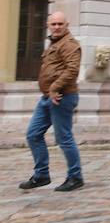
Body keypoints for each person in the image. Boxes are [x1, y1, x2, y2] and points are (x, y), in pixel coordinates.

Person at [19, 11, 84, 192]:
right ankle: (41, 175)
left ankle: (75, 177)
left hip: (62, 97)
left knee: (64, 138)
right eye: (53, 24)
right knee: (33, 134)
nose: (56, 27)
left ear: (66, 25)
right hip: (48, 97)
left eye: (59, 24)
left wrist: (55, 88)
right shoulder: (54, 43)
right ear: (48, 25)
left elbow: (72, 70)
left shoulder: (70, 45)